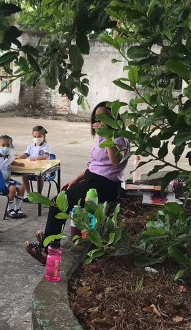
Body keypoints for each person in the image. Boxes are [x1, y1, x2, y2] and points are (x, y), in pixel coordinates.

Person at [24, 101, 130, 264]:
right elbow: (95, 164)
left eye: (103, 116)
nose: (98, 120)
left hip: (104, 185)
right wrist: (76, 179)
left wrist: (108, 135)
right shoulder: (102, 137)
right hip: (93, 179)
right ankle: (49, 238)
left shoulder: (120, 137)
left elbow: (115, 161)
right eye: (95, 116)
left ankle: (47, 252)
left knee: (57, 205)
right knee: (60, 200)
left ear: (113, 117)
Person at [20, 125, 52, 196]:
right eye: (35, 137)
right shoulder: (30, 146)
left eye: (39, 136)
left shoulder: (46, 147)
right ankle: (29, 194)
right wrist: (19, 157)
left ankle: (38, 195)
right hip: (32, 169)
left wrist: (37, 158)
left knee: (39, 176)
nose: (37, 138)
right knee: (24, 175)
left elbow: (45, 156)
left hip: (44, 170)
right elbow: (25, 155)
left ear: (44, 136)